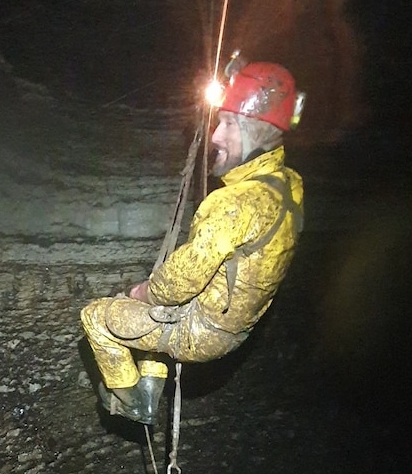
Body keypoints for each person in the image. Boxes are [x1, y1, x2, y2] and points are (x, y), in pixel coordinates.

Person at [80, 57, 305, 424]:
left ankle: (132, 401)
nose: (216, 135)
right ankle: (150, 391)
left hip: (201, 331)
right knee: (152, 322)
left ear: (255, 131)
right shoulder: (290, 185)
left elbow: (174, 287)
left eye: (229, 123)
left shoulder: (235, 203)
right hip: (234, 325)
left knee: (97, 318)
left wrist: (141, 292)